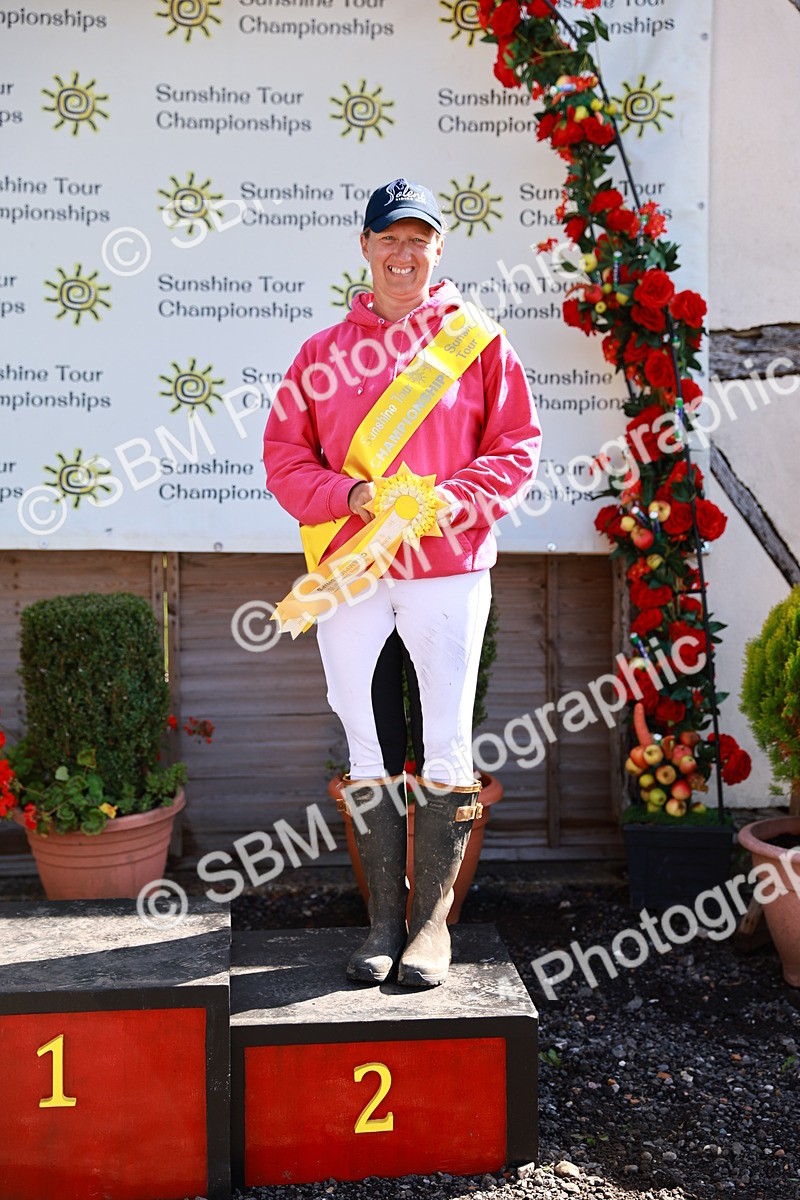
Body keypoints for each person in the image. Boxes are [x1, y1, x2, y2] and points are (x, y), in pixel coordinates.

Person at [263, 177, 541, 987]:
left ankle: (431, 929)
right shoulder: (319, 354)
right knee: (364, 737)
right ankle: (380, 923)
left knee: (449, 738)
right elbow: (285, 460)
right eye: (389, 238)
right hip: (351, 568)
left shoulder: (478, 342)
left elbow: (516, 447)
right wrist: (349, 496)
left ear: (438, 250)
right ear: (365, 246)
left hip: (446, 566)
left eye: (418, 239)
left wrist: (451, 500)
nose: (403, 253)